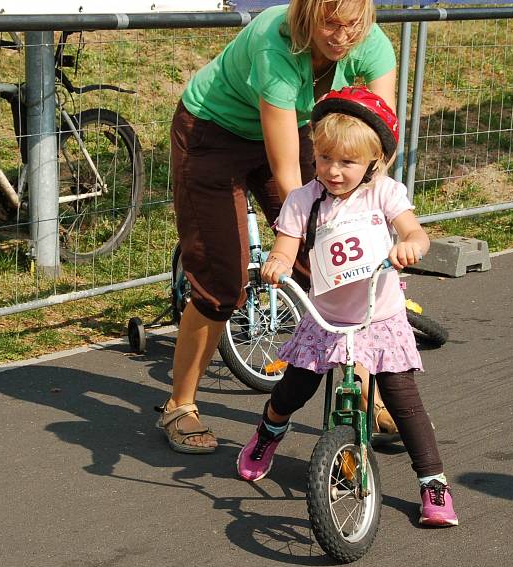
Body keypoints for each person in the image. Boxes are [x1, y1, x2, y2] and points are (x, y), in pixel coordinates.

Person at [157, 0, 399, 454]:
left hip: (288, 129)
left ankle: (369, 395)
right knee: (221, 281)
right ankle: (180, 404)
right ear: (307, 13)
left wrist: (364, 218)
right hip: (213, 135)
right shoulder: (277, 43)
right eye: (330, 22)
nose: (343, 35)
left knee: (336, 268)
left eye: (353, 24)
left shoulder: (373, 46)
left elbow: (378, 144)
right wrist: (316, 224)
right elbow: (290, 177)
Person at [236, 87, 458, 527]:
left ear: (373, 163)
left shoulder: (384, 194)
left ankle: (433, 482)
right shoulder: (304, 200)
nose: (333, 171)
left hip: (380, 316)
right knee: (294, 389)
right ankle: (268, 432)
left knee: (403, 399)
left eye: (347, 163)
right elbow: (285, 246)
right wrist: (277, 264)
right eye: (323, 159)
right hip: (326, 319)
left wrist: (412, 245)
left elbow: (415, 233)